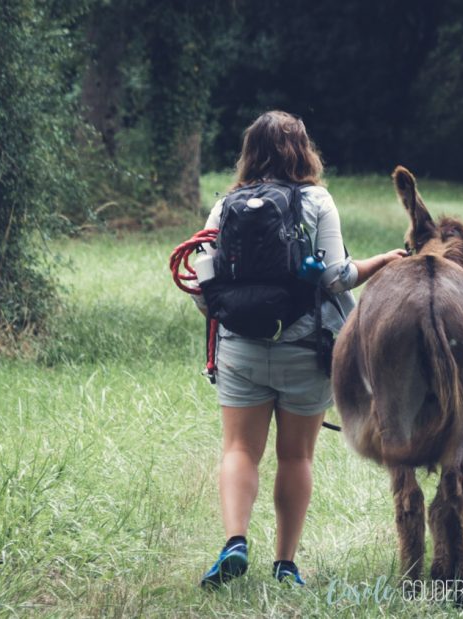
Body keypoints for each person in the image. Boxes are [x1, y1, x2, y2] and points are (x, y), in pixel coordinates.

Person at [191, 111, 407, 588]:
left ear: (249, 153)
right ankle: (286, 565)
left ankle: (235, 541)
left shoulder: (225, 205)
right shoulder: (316, 199)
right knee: (295, 458)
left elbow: (200, 282)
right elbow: (336, 277)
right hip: (306, 352)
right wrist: (381, 262)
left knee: (240, 449)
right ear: (303, 150)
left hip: (240, 351)